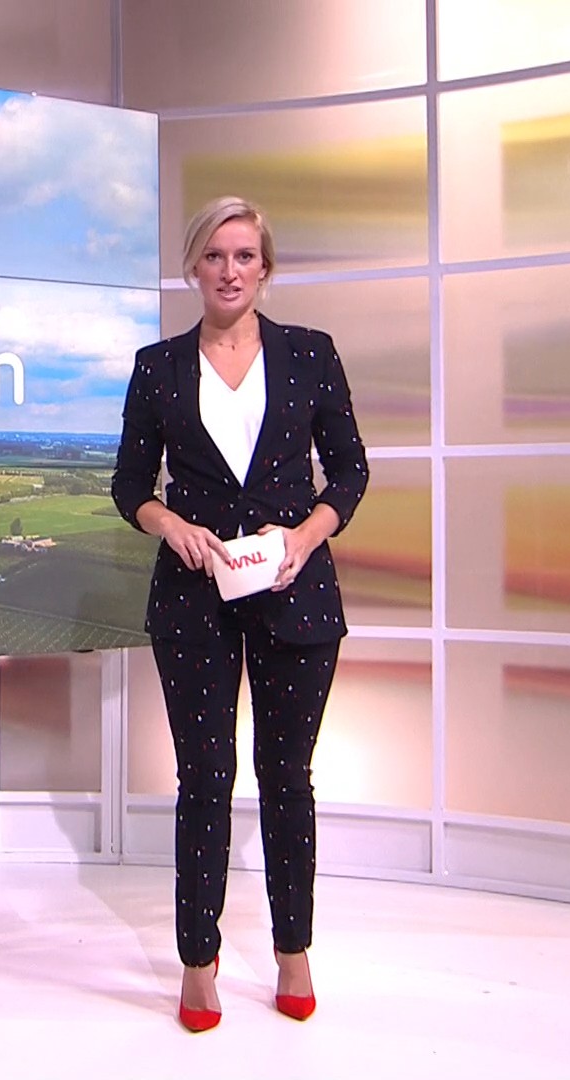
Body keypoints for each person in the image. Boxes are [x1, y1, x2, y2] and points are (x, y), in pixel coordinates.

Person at [110, 195, 369, 1033]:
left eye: (245, 256)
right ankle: (198, 960)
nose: (230, 271)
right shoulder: (158, 367)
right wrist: (171, 525)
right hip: (194, 599)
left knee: (287, 778)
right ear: (193, 267)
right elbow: (129, 486)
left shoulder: (310, 354)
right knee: (206, 778)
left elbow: (350, 472)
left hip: (296, 592)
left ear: (266, 267)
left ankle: (293, 950)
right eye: (215, 256)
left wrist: (305, 536)